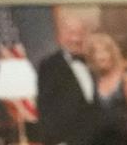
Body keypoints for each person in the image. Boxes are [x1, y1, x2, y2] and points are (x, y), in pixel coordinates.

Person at [37, 7, 101, 145]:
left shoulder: (92, 63)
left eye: (81, 33)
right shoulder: (49, 65)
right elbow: (45, 108)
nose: (76, 38)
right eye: (71, 32)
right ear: (60, 36)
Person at [85, 33, 127, 145]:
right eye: (97, 52)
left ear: (112, 54)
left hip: (122, 139)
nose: (101, 57)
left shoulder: (126, 79)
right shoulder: (92, 81)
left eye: (104, 51)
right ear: (93, 58)